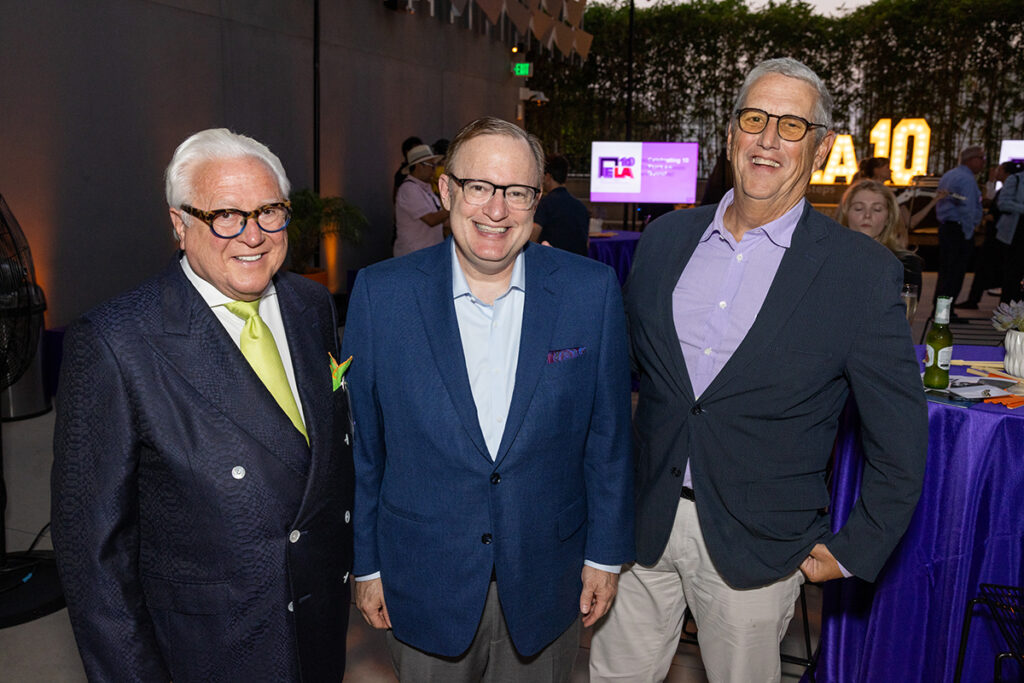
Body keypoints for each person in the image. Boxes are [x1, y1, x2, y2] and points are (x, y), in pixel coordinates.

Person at [589, 58, 928, 683]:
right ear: (730, 135)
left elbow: (900, 437)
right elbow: (616, 385)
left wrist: (858, 546)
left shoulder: (858, 273)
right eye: (755, 119)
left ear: (821, 147)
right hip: (641, 532)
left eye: (793, 125)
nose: (769, 139)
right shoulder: (664, 240)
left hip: (760, 547)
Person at [51, 128, 354, 682]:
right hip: (210, 651)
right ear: (178, 224)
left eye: (269, 211)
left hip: (318, 635)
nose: (253, 235)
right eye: (226, 216)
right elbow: (95, 560)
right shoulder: (117, 343)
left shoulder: (312, 306)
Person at [343, 116, 634, 682]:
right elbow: (365, 447)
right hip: (424, 578)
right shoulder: (382, 296)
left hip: (551, 578)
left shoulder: (588, 292)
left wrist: (604, 555)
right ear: (447, 190)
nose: (496, 211)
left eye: (517, 192)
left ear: (537, 199)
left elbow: (609, 436)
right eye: (479, 187)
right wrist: (367, 563)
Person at [836, 178, 923, 290]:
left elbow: (907, 304)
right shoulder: (827, 259)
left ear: (889, 218)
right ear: (846, 215)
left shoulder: (906, 265)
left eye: (877, 209)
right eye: (859, 209)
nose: (867, 215)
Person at [935, 145, 985, 307]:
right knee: (955, 273)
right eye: (981, 158)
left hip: (947, 228)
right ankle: (947, 311)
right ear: (971, 160)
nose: (983, 163)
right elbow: (968, 209)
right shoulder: (967, 179)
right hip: (959, 230)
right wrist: (969, 232)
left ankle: (940, 308)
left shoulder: (950, 175)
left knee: (946, 272)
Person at [393, 143, 449, 257]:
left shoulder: (426, 190)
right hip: (413, 257)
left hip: (427, 256)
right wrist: (455, 206)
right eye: (431, 165)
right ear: (419, 166)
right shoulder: (408, 189)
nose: (434, 170)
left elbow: (442, 224)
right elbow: (431, 220)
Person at [532, 153, 590, 256]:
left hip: (551, 262)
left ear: (548, 177)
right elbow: (586, 243)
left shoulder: (545, 204)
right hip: (577, 264)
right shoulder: (581, 207)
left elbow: (533, 236)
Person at [997, 162, 1024, 303]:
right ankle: (1007, 313)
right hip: (1015, 234)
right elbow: (1003, 203)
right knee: (1012, 275)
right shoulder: (1016, 179)